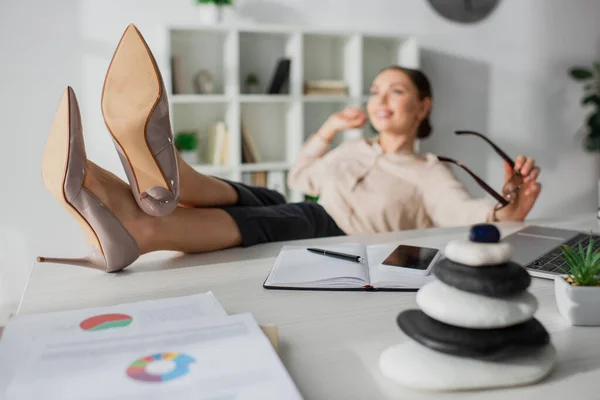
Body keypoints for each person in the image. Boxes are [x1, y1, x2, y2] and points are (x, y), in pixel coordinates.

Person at [38, 24, 541, 273]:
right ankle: (168, 187)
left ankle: (140, 215)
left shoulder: (431, 170)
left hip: (344, 234)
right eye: (375, 90)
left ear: (423, 106)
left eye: (396, 91)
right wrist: (327, 131)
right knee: (265, 198)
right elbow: (302, 175)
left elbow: (464, 211)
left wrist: (507, 210)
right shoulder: (352, 147)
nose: (380, 99)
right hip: (305, 202)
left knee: (281, 217)